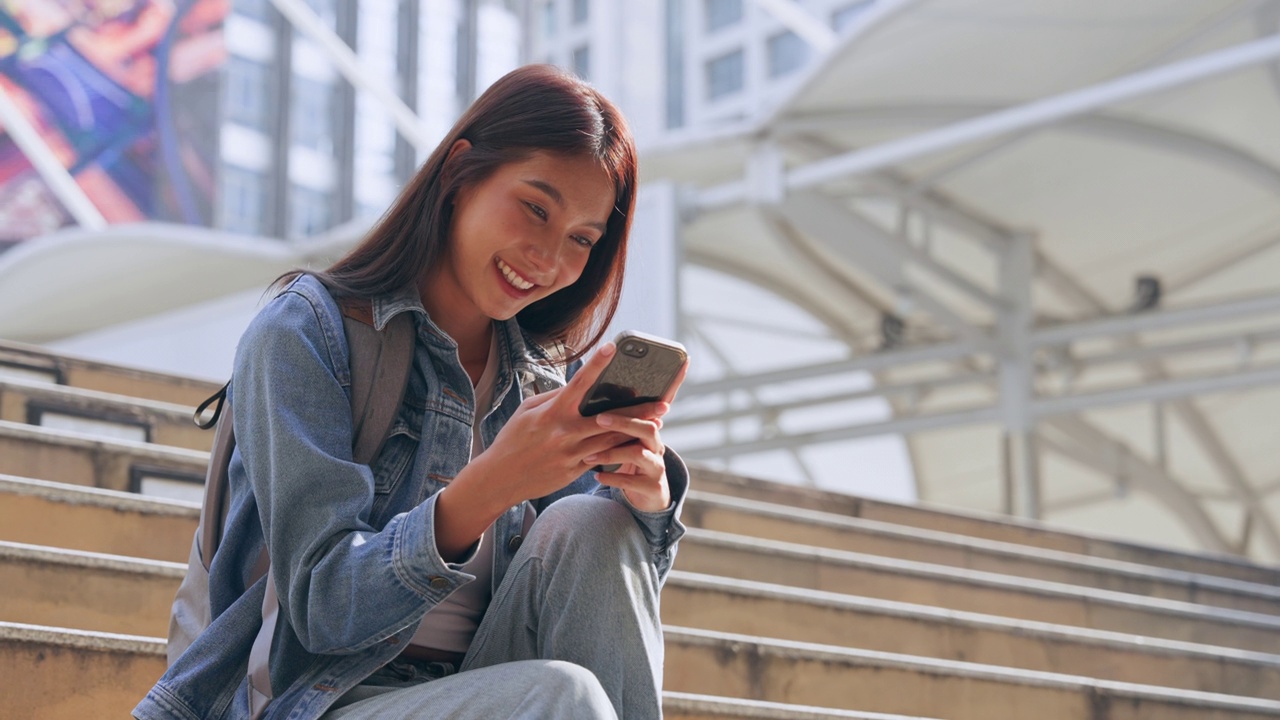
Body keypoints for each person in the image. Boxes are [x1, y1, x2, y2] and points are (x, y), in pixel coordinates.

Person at [134, 64, 689, 720]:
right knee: (562, 697)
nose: (547, 258)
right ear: (459, 173)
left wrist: (646, 506)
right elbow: (322, 609)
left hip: (485, 690)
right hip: (309, 699)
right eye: (535, 208)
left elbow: (602, 624)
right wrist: (491, 485)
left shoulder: (538, 384)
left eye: (581, 241)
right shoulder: (307, 331)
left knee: (594, 523)